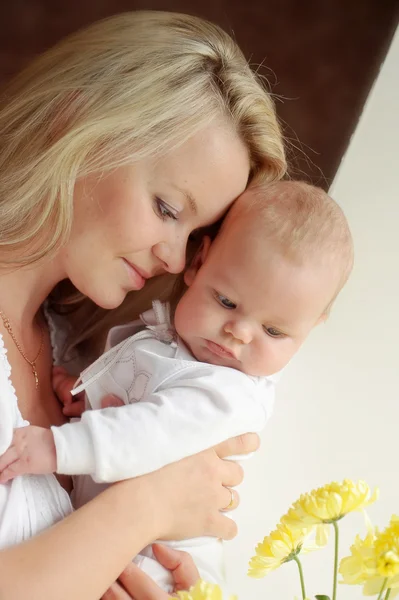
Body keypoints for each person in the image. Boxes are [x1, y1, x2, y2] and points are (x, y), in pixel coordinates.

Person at [0, 10, 287, 600]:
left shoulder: (79, 360)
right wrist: (147, 506)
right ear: (71, 122)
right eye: (166, 208)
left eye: (195, 237)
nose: (178, 263)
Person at [0, 181, 354, 592]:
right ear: (198, 264)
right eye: (226, 301)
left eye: (273, 330)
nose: (237, 332)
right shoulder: (174, 346)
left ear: (310, 330)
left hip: (159, 566)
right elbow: (130, 399)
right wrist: (83, 394)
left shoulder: (229, 395)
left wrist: (57, 447)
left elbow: (148, 433)